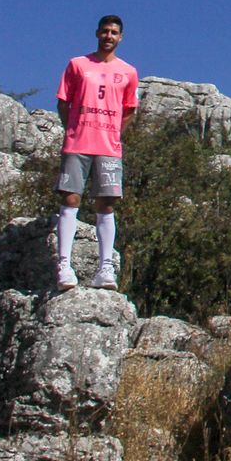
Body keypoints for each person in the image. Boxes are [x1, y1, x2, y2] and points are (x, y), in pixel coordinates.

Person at [54, 15, 138, 290]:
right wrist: (73, 129)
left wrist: (113, 133)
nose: (109, 36)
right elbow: (64, 101)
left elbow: (128, 110)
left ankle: (105, 269)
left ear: (120, 37)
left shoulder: (128, 72)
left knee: (107, 204)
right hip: (78, 142)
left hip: (108, 147)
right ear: (97, 34)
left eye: (114, 32)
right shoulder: (78, 65)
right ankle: (64, 265)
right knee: (71, 198)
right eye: (105, 31)